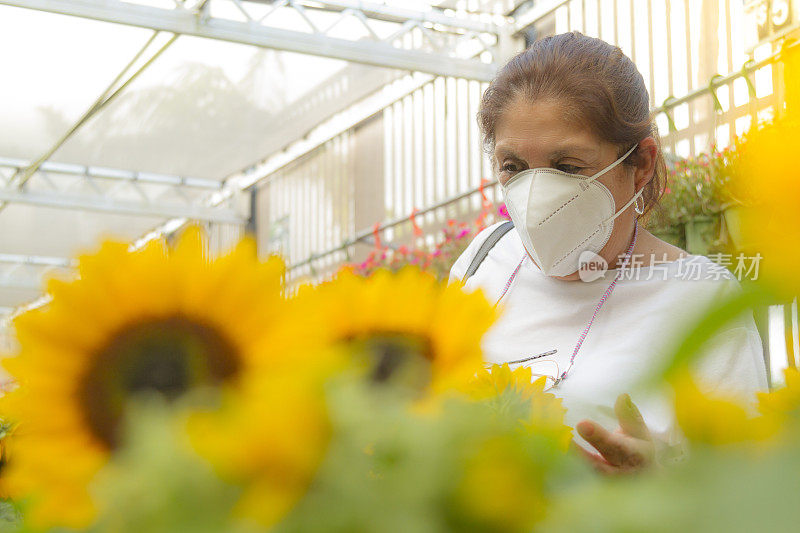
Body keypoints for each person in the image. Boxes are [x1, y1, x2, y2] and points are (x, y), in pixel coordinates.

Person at [449, 32, 768, 474]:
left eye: (567, 167)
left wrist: (663, 480)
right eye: (513, 167)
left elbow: (747, 485)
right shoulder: (483, 259)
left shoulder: (702, 298)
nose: (536, 196)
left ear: (640, 166)